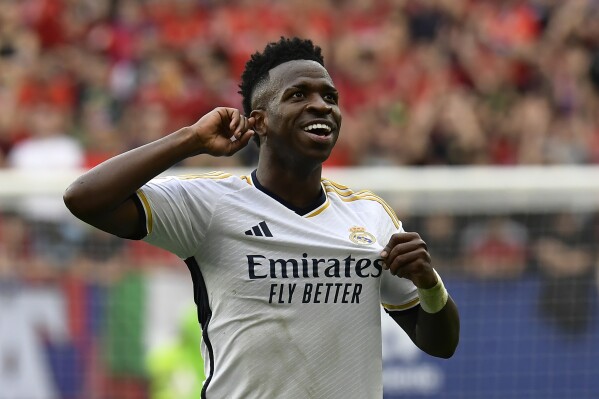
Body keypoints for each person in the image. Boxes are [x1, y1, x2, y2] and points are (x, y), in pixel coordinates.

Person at [64, 37, 459, 398]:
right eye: (298, 94)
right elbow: (84, 199)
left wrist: (428, 283)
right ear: (259, 121)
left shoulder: (370, 215)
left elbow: (441, 343)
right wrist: (189, 139)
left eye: (330, 96)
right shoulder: (211, 205)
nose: (321, 105)